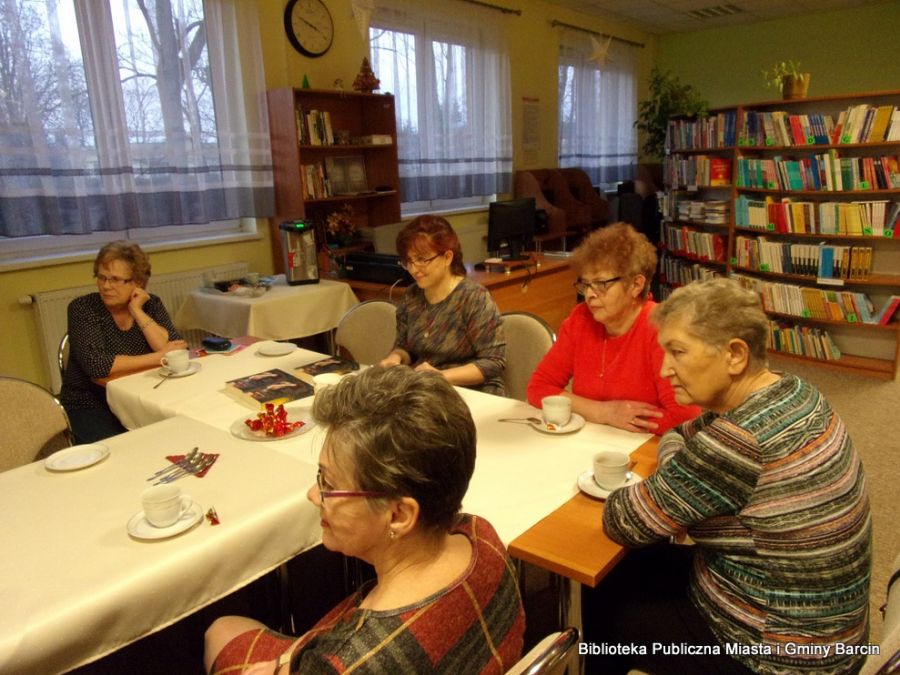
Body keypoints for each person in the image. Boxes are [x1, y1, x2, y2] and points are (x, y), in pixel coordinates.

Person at [584, 277, 872, 675]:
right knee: (640, 562)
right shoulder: (796, 391)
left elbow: (624, 520)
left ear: (735, 355)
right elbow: (680, 434)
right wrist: (682, 472)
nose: (665, 369)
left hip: (778, 655)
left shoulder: (737, 441)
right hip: (831, 633)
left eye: (678, 352)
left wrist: (682, 475)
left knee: (603, 589)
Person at [204, 366, 525, 674]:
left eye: (329, 484)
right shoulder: (478, 534)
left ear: (398, 515)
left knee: (221, 630)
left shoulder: (348, 661)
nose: (314, 496)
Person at [526, 222, 699, 434]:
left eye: (601, 284)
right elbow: (538, 388)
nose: (589, 294)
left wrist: (591, 412)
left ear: (636, 285)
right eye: (586, 284)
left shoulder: (662, 329)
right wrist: (604, 413)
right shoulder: (580, 318)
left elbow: (684, 419)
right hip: (589, 441)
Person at [59, 241, 186, 443]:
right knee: (127, 448)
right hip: (90, 403)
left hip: (141, 396)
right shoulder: (83, 308)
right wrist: (157, 358)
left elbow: (174, 349)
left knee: (177, 433)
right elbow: (97, 365)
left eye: (116, 279)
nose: (106, 286)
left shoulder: (150, 304)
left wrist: (137, 311)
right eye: (102, 277)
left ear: (137, 282)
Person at [379, 215, 507, 395]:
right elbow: (405, 347)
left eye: (422, 259)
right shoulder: (411, 296)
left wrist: (441, 376)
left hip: (472, 392)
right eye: (409, 261)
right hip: (427, 390)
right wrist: (396, 357)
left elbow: (494, 362)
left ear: (447, 257)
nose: (414, 269)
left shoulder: (473, 297)